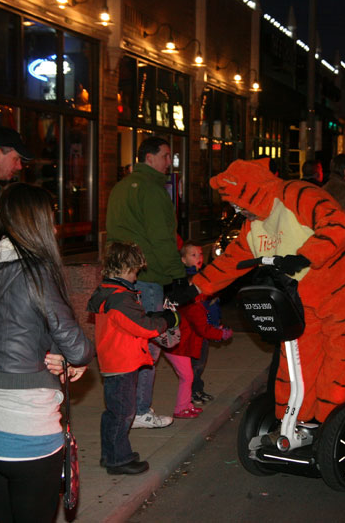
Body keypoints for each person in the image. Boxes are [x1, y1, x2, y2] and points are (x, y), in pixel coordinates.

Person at [178, 158, 345, 424]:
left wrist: (304, 256)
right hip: (300, 296)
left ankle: (332, 424)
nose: (236, 209)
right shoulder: (253, 223)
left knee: (340, 361)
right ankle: (292, 423)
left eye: (238, 201)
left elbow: (336, 224)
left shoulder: (298, 194)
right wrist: (194, 288)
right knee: (296, 360)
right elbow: (232, 260)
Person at [0, 183, 94, 522]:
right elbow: (78, 347)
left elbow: (2, 332)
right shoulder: (37, 271)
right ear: (35, 223)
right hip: (28, 433)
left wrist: (53, 352)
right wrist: (73, 358)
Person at [106, 136, 184, 429]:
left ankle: (126, 409)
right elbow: (162, 239)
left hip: (120, 279)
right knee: (149, 348)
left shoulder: (122, 187)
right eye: (165, 156)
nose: (169, 162)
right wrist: (177, 274)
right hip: (147, 279)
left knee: (126, 346)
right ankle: (139, 410)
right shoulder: (152, 190)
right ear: (148, 158)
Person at [86, 242, 179, 475]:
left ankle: (111, 454)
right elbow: (144, 328)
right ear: (127, 268)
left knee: (116, 412)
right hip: (122, 363)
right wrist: (167, 320)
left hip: (115, 361)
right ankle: (119, 459)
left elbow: (132, 323)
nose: (137, 277)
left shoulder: (111, 293)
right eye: (136, 271)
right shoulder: (120, 299)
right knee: (123, 413)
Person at [174, 241, 232, 406]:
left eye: (200, 254)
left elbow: (216, 279)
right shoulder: (188, 280)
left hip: (206, 327)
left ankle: (197, 389)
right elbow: (194, 312)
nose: (198, 258)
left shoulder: (203, 273)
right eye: (193, 255)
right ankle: (191, 392)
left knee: (201, 363)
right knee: (195, 364)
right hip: (195, 332)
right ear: (183, 260)